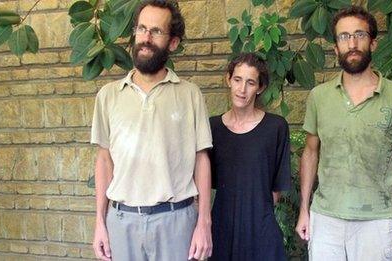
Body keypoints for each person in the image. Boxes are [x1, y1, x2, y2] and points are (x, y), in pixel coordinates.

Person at [90, 1, 213, 260]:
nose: (146, 38)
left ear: (173, 42)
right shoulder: (108, 96)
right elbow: (104, 160)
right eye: (141, 29)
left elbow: (201, 160)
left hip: (176, 222)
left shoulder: (190, 94)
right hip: (122, 222)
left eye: (156, 31)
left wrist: (204, 223)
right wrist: (100, 223)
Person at [295, 5, 392, 261]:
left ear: (373, 43)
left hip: (375, 220)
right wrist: (304, 209)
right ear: (335, 47)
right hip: (325, 218)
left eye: (360, 35)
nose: (352, 43)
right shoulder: (319, 96)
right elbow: (310, 152)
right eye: (344, 36)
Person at [209, 53, 292, 261]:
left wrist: (257, 218)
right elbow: (203, 184)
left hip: (260, 228)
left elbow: (276, 189)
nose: (242, 89)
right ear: (228, 80)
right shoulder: (212, 128)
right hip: (222, 228)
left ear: (260, 88)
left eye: (250, 82)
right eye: (237, 80)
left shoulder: (276, 127)